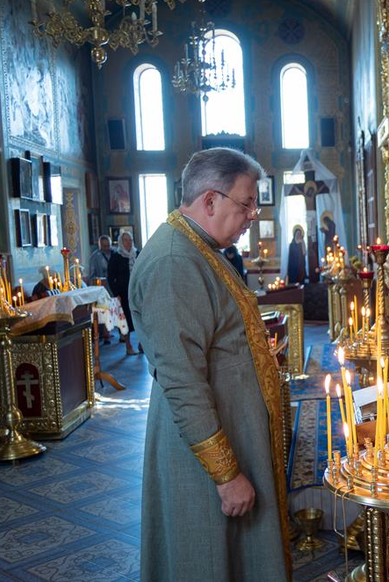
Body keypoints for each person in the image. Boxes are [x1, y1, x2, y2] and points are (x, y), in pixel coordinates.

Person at [130, 148, 290, 581]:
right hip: (204, 457)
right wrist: (226, 474)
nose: (253, 215)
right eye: (246, 203)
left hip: (233, 433)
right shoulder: (174, 261)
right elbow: (182, 379)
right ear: (210, 200)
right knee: (204, 557)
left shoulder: (199, 248)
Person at [108, 231, 139, 355]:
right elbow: (111, 277)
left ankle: (142, 345)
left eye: (130, 240)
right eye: (126, 240)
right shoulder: (116, 256)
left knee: (140, 318)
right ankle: (128, 346)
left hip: (137, 291)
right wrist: (116, 294)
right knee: (126, 320)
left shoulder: (137, 254)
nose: (128, 242)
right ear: (121, 242)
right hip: (123, 293)